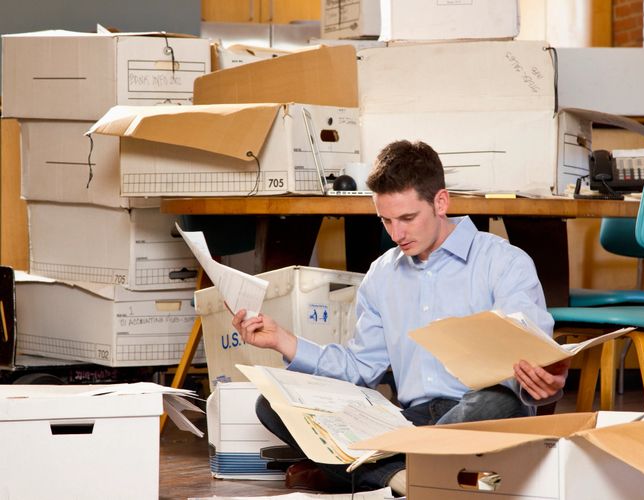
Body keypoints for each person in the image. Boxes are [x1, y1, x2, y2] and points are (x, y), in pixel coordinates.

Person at [232, 140, 569, 494]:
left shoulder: (505, 262)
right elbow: (360, 368)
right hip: (409, 420)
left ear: (441, 202)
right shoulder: (382, 274)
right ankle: (411, 478)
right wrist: (282, 341)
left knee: (496, 400)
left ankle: (383, 471)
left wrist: (542, 384)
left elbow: (537, 366)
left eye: (408, 218)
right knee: (272, 404)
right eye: (386, 220)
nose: (397, 234)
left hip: (477, 416)